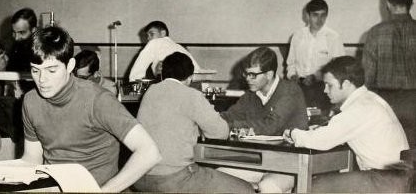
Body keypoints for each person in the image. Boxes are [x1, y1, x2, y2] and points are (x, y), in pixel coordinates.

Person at [20, 26, 161, 192]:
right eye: (35, 70)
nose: (42, 80)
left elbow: (150, 152)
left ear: (70, 65)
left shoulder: (98, 100)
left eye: (51, 70)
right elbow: (32, 158)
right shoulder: (31, 101)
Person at [284, 56, 410, 192]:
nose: (325, 90)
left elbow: (321, 140)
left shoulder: (359, 108)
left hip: (385, 181)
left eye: (329, 85)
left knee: (309, 187)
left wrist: (293, 133)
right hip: (399, 177)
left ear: (347, 84)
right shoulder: (370, 99)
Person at [134, 52, 254, 193]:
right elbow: (221, 133)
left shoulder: (150, 92)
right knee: (245, 189)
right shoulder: (192, 95)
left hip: (140, 176)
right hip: (174, 179)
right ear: (190, 78)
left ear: (162, 74)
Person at [218, 46, 308, 193]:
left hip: (291, 164)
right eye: (246, 74)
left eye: (253, 75)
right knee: (220, 175)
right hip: (261, 162)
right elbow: (230, 115)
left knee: (268, 186)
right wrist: (209, 120)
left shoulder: (290, 91)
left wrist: (229, 127)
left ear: (269, 74)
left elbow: (269, 126)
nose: (248, 79)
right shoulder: (251, 95)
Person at [362, 0, 416, 148]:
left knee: (389, 155)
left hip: (385, 104)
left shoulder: (375, 33)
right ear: (411, 3)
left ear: (387, 3)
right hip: (414, 102)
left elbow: (367, 77)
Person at [287, 0, 345, 113]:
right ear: (307, 16)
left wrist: (316, 77)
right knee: (298, 118)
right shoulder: (298, 35)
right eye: (315, 15)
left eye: (323, 15)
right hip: (299, 86)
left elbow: (338, 67)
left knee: (319, 120)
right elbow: (290, 63)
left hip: (323, 88)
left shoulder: (333, 37)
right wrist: (293, 76)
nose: (319, 20)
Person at [128, 21, 201, 82]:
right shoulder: (180, 47)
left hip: (166, 85)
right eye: (147, 36)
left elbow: (137, 71)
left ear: (163, 33)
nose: (148, 38)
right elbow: (197, 71)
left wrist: (133, 82)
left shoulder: (155, 42)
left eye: (152, 34)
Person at [7, 8, 37, 72]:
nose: (16, 38)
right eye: (14, 32)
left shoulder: (40, 51)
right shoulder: (15, 47)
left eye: (21, 32)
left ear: (33, 30)